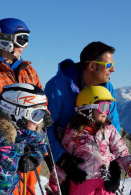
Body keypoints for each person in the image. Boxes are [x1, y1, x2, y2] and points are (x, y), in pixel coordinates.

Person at [0, 18, 53, 195]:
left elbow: (41, 99)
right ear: (4, 40)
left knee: (28, 188)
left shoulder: (28, 70)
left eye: (26, 40)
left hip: (30, 141)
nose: (25, 45)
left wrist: (44, 114)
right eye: (21, 39)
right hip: (4, 144)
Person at [44, 41, 120, 184]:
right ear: (92, 66)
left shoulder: (107, 87)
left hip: (99, 164)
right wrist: (61, 159)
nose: (113, 69)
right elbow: (44, 126)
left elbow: (112, 124)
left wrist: (114, 162)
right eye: (109, 65)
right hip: (66, 162)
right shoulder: (57, 87)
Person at [47, 86, 131, 195]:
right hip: (82, 183)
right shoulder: (73, 133)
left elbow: (122, 153)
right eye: (103, 107)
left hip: (106, 182)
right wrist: (54, 184)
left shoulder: (109, 130)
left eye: (108, 107)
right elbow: (65, 162)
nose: (107, 112)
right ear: (87, 108)